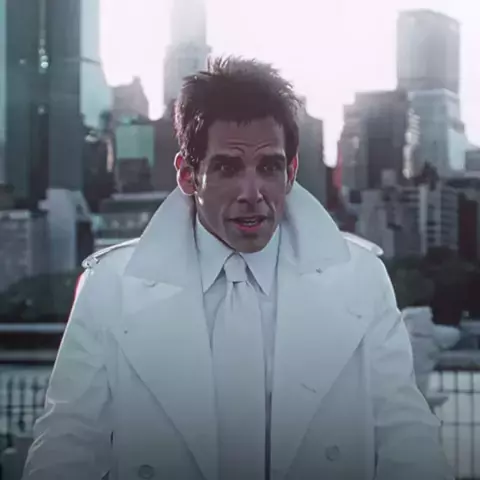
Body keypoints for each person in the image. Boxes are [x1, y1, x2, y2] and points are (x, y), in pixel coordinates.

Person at [23, 57, 452, 480]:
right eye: (227, 167)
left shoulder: (360, 278)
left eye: (269, 167)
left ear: (291, 172)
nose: (252, 192)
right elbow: (66, 445)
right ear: (188, 175)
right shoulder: (110, 287)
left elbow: (407, 438)